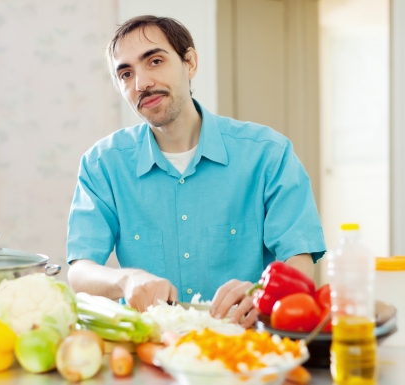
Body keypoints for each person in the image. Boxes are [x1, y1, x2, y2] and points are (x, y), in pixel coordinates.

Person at [66, 15, 326, 328]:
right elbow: (80, 271)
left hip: (246, 348)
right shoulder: (102, 165)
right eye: (126, 73)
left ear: (190, 63)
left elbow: (299, 258)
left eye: (155, 61)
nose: (141, 83)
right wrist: (126, 279)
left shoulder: (268, 153)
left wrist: (262, 292)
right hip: (151, 348)